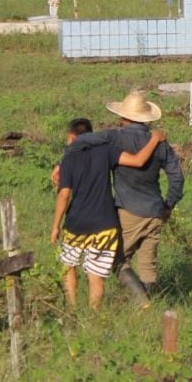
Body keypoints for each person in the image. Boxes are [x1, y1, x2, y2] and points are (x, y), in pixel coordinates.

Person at [66, 91, 184, 298]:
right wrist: (168, 205)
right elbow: (177, 177)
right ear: (145, 118)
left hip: (129, 211)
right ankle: (148, 306)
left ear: (124, 117)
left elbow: (79, 143)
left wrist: (65, 164)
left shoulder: (114, 137)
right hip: (156, 211)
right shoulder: (159, 142)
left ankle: (141, 302)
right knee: (148, 265)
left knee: (115, 260)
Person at [50, 118, 164, 310]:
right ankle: (95, 316)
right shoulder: (106, 151)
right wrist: (155, 139)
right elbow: (138, 160)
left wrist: (55, 226)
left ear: (71, 137)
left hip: (76, 224)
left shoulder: (69, 158)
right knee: (96, 276)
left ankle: (71, 309)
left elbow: (64, 195)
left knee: (68, 266)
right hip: (105, 225)